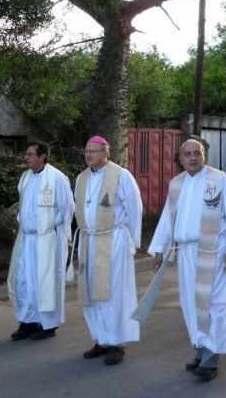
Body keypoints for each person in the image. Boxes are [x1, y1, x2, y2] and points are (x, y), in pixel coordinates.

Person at [148, 139, 226, 381]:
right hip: (186, 254)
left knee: (213, 305)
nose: (193, 158)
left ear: (205, 155)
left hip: (214, 252)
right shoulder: (176, 184)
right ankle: (200, 349)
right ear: (181, 158)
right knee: (191, 305)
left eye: (198, 153)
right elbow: (167, 219)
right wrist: (158, 249)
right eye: (188, 154)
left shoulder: (219, 180)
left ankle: (210, 358)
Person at [74, 135, 143, 365]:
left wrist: (132, 243)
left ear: (106, 152)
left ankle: (116, 343)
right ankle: (101, 338)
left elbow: (135, 209)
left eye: (92, 151)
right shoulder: (81, 178)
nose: (88, 155)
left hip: (114, 241)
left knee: (113, 293)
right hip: (89, 241)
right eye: (86, 151)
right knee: (92, 293)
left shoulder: (121, 175)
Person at [8, 141, 75, 341]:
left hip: (46, 239)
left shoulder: (57, 178)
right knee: (24, 281)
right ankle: (28, 321)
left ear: (42, 156)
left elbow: (68, 208)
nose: (25, 157)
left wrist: (59, 234)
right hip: (26, 238)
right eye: (25, 153)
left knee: (46, 281)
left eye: (30, 154)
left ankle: (48, 324)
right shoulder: (25, 177)